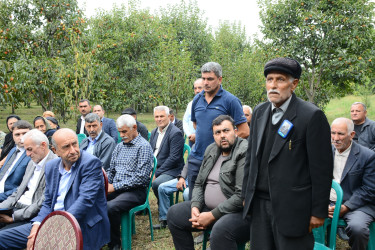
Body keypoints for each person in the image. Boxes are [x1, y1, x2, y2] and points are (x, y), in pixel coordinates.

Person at [242, 57, 333, 250]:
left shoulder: (311, 116)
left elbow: (322, 169)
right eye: (269, 79)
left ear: (294, 84)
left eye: (280, 80)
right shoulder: (259, 111)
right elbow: (251, 157)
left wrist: (318, 211)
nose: (273, 85)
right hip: (259, 204)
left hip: (293, 207)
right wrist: (246, 194)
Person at [0, 128, 110, 249]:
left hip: (80, 224)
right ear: (55, 150)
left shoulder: (90, 163)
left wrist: (53, 227)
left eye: (74, 144)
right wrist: (37, 224)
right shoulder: (51, 167)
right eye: (66, 147)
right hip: (49, 221)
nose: (73, 150)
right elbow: (47, 202)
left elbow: (85, 201)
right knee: (2, 238)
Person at [167, 115, 250, 249]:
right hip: (207, 208)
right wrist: (195, 207)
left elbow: (241, 196)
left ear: (235, 131)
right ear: (213, 135)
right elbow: (199, 183)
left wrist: (212, 215)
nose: (222, 136)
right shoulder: (211, 149)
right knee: (174, 214)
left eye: (226, 131)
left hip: (237, 213)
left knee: (220, 230)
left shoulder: (244, 151)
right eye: (218, 132)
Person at [188, 62, 249, 199]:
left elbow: (244, 131)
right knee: (194, 201)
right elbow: (197, 125)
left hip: (219, 161)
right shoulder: (197, 99)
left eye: (210, 79)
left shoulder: (231, 101)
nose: (205, 83)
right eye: (203, 78)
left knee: (214, 200)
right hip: (197, 158)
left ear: (220, 79)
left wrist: (223, 146)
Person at [106, 114, 153, 249]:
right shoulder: (119, 146)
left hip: (135, 191)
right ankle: (100, 238)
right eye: (119, 131)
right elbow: (111, 170)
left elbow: (141, 178)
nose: (121, 135)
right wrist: (107, 184)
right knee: (94, 199)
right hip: (117, 187)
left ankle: (115, 245)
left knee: (110, 207)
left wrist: (114, 187)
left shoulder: (143, 146)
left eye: (124, 131)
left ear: (134, 128)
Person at [330, 117, 375, 250]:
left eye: (341, 134)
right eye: (333, 133)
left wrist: (345, 207)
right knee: (301, 216)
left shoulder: (367, 156)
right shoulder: (325, 151)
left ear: (352, 135)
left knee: (358, 228)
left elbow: (370, 189)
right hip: (329, 202)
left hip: (356, 205)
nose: (335, 138)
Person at [0, 129, 57, 230]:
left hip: (28, 215)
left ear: (43, 145)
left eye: (30, 149)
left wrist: (13, 217)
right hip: (14, 207)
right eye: (26, 150)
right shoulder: (32, 163)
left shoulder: (55, 165)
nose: (27, 154)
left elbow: (42, 202)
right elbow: (18, 191)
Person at [149, 106, 185, 229]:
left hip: (172, 169)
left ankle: (165, 218)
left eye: (162, 116)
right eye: (157, 117)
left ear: (169, 116)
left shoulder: (175, 133)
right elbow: (150, 153)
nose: (159, 119)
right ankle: (141, 208)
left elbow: (174, 158)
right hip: (157, 167)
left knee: (157, 183)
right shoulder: (154, 132)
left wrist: (156, 173)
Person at [0, 120, 32, 202]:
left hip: (10, 196)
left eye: (25, 134)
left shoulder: (32, 154)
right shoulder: (13, 150)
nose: (21, 137)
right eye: (17, 134)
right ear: (12, 136)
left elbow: (24, 187)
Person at [155, 162, 190, 229]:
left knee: (187, 193)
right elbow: (187, 164)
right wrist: (182, 177)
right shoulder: (194, 151)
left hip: (198, 180)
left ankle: (189, 221)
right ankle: (165, 220)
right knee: (162, 188)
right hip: (187, 178)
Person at [183, 78, 204, 147]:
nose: (197, 90)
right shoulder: (191, 104)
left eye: (200, 88)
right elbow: (185, 121)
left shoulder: (209, 104)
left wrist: (197, 135)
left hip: (204, 139)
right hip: (191, 139)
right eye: (195, 88)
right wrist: (189, 135)